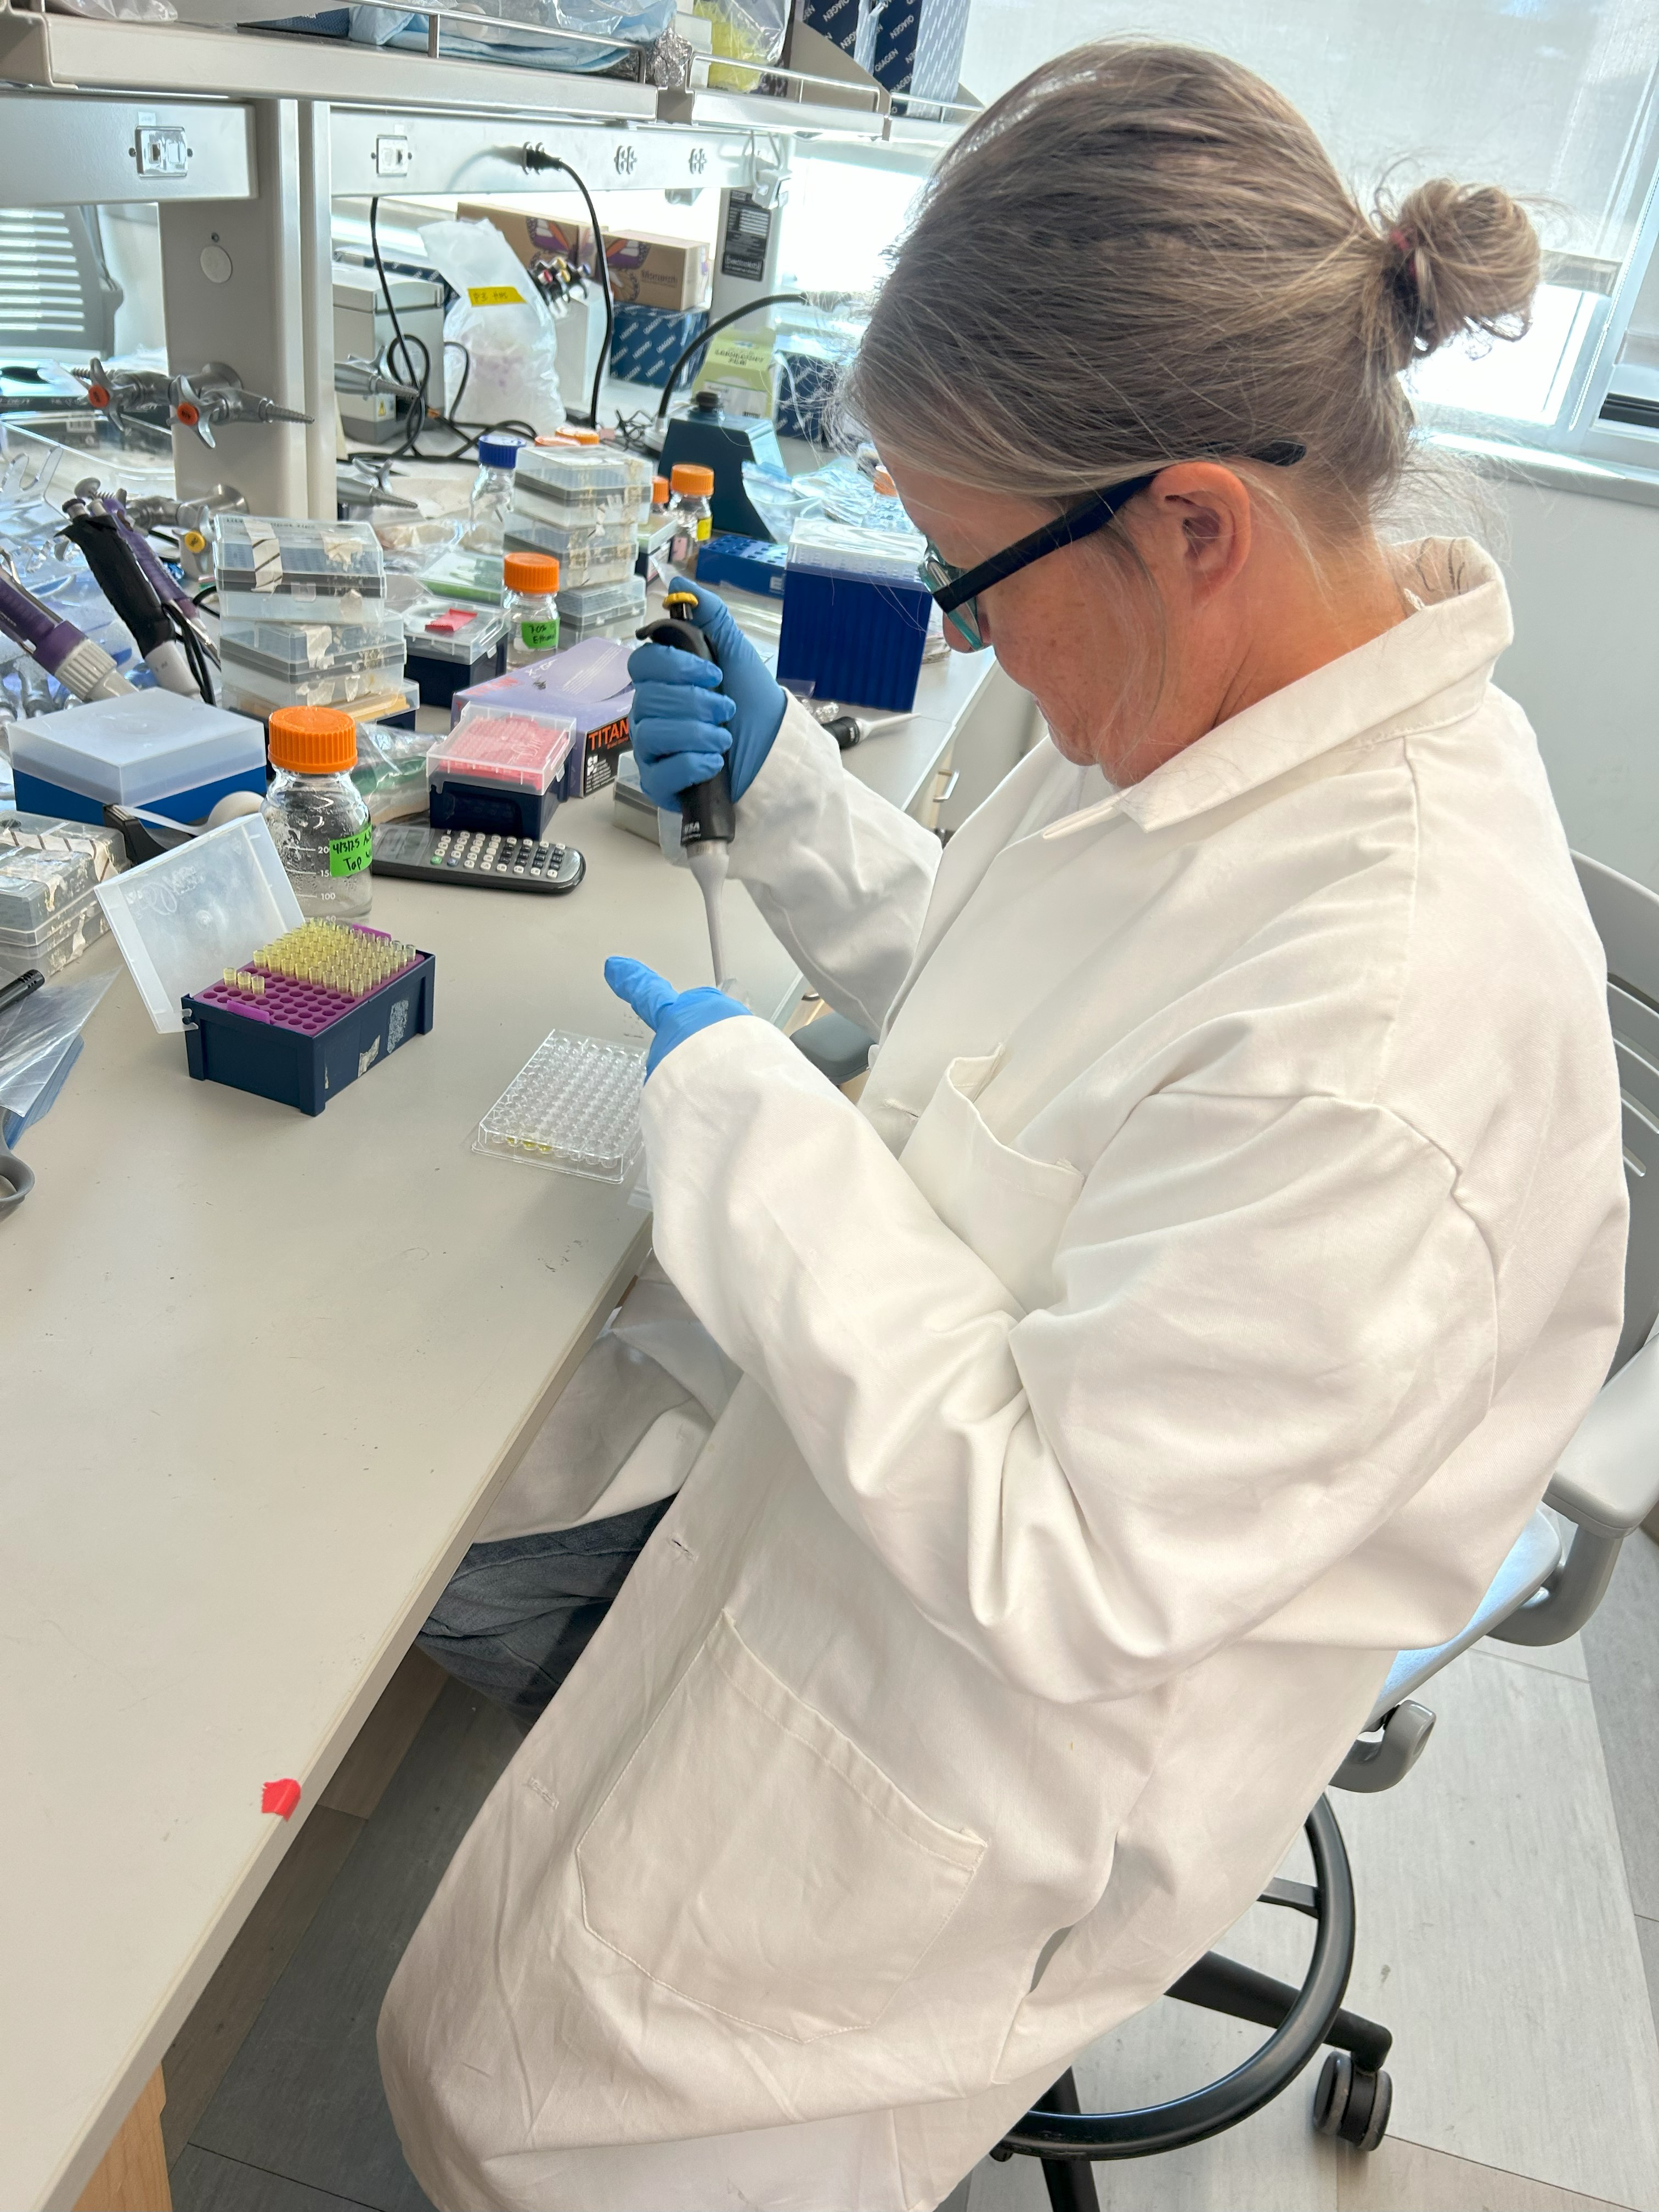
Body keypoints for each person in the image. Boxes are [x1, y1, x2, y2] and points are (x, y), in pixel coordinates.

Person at [381, 40, 1628, 2212]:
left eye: (971, 577)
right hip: (866, 1541)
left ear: (1191, 519)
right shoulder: (1225, 702)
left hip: (1019, 1742)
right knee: (477, 1791)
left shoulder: (1392, 1018)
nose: (966, 635)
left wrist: (742, 1120)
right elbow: (1030, 1046)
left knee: (532, 2120)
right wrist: (787, 804)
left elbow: (1063, 1566)